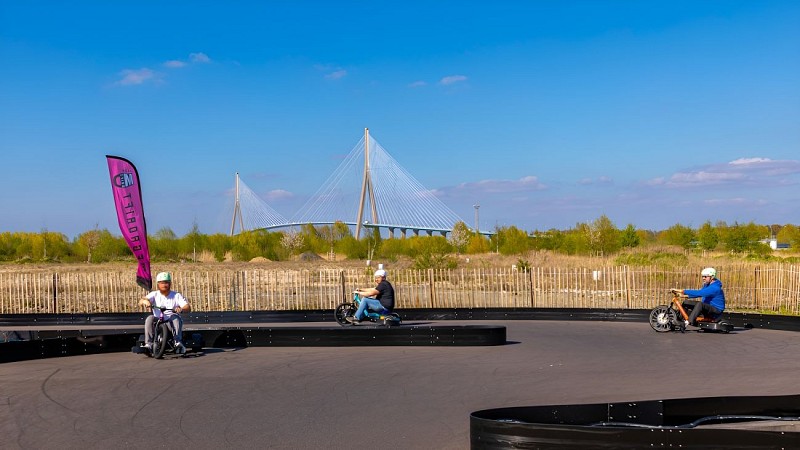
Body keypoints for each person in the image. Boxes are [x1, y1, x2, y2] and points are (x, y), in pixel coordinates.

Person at [138, 272, 191, 353]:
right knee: (150, 318)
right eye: (162, 283)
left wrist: (181, 309)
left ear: (170, 284)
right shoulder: (154, 294)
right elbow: (141, 301)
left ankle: (177, 342)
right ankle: (148, 344)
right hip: (157, 322)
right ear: (158, 284)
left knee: (175, 317)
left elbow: (187, 307)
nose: (164, 285)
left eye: (166, 282)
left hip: (170, 323)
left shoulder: (176, 295)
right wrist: (146, 302)